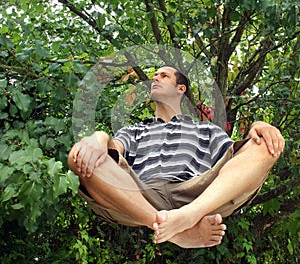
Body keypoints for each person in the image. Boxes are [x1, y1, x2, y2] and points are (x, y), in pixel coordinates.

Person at [68, 66, 285, 248]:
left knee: (265, 144)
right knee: (79, 156)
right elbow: (109, 150)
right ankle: (176, 233)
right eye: (154, 76)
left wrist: (260, 126)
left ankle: (188, 216)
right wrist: (97, 137)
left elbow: (239, 158)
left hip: (198, 195)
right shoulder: (134, 131)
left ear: (180, 88)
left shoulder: (206, 130)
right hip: (142, 197)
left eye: (164, 76)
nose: (155, 78)